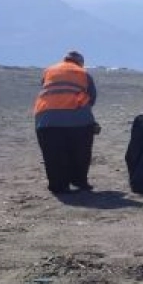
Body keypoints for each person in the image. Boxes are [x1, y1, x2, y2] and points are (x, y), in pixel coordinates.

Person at [33, 50, 99, 194]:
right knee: (80, 151)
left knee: (53, 154)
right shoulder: (84, 73)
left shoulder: (49, 71)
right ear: (80, 63)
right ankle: (79, 180)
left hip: (45, 120)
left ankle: (58, 185)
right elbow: (92, 98)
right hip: (78, 121)